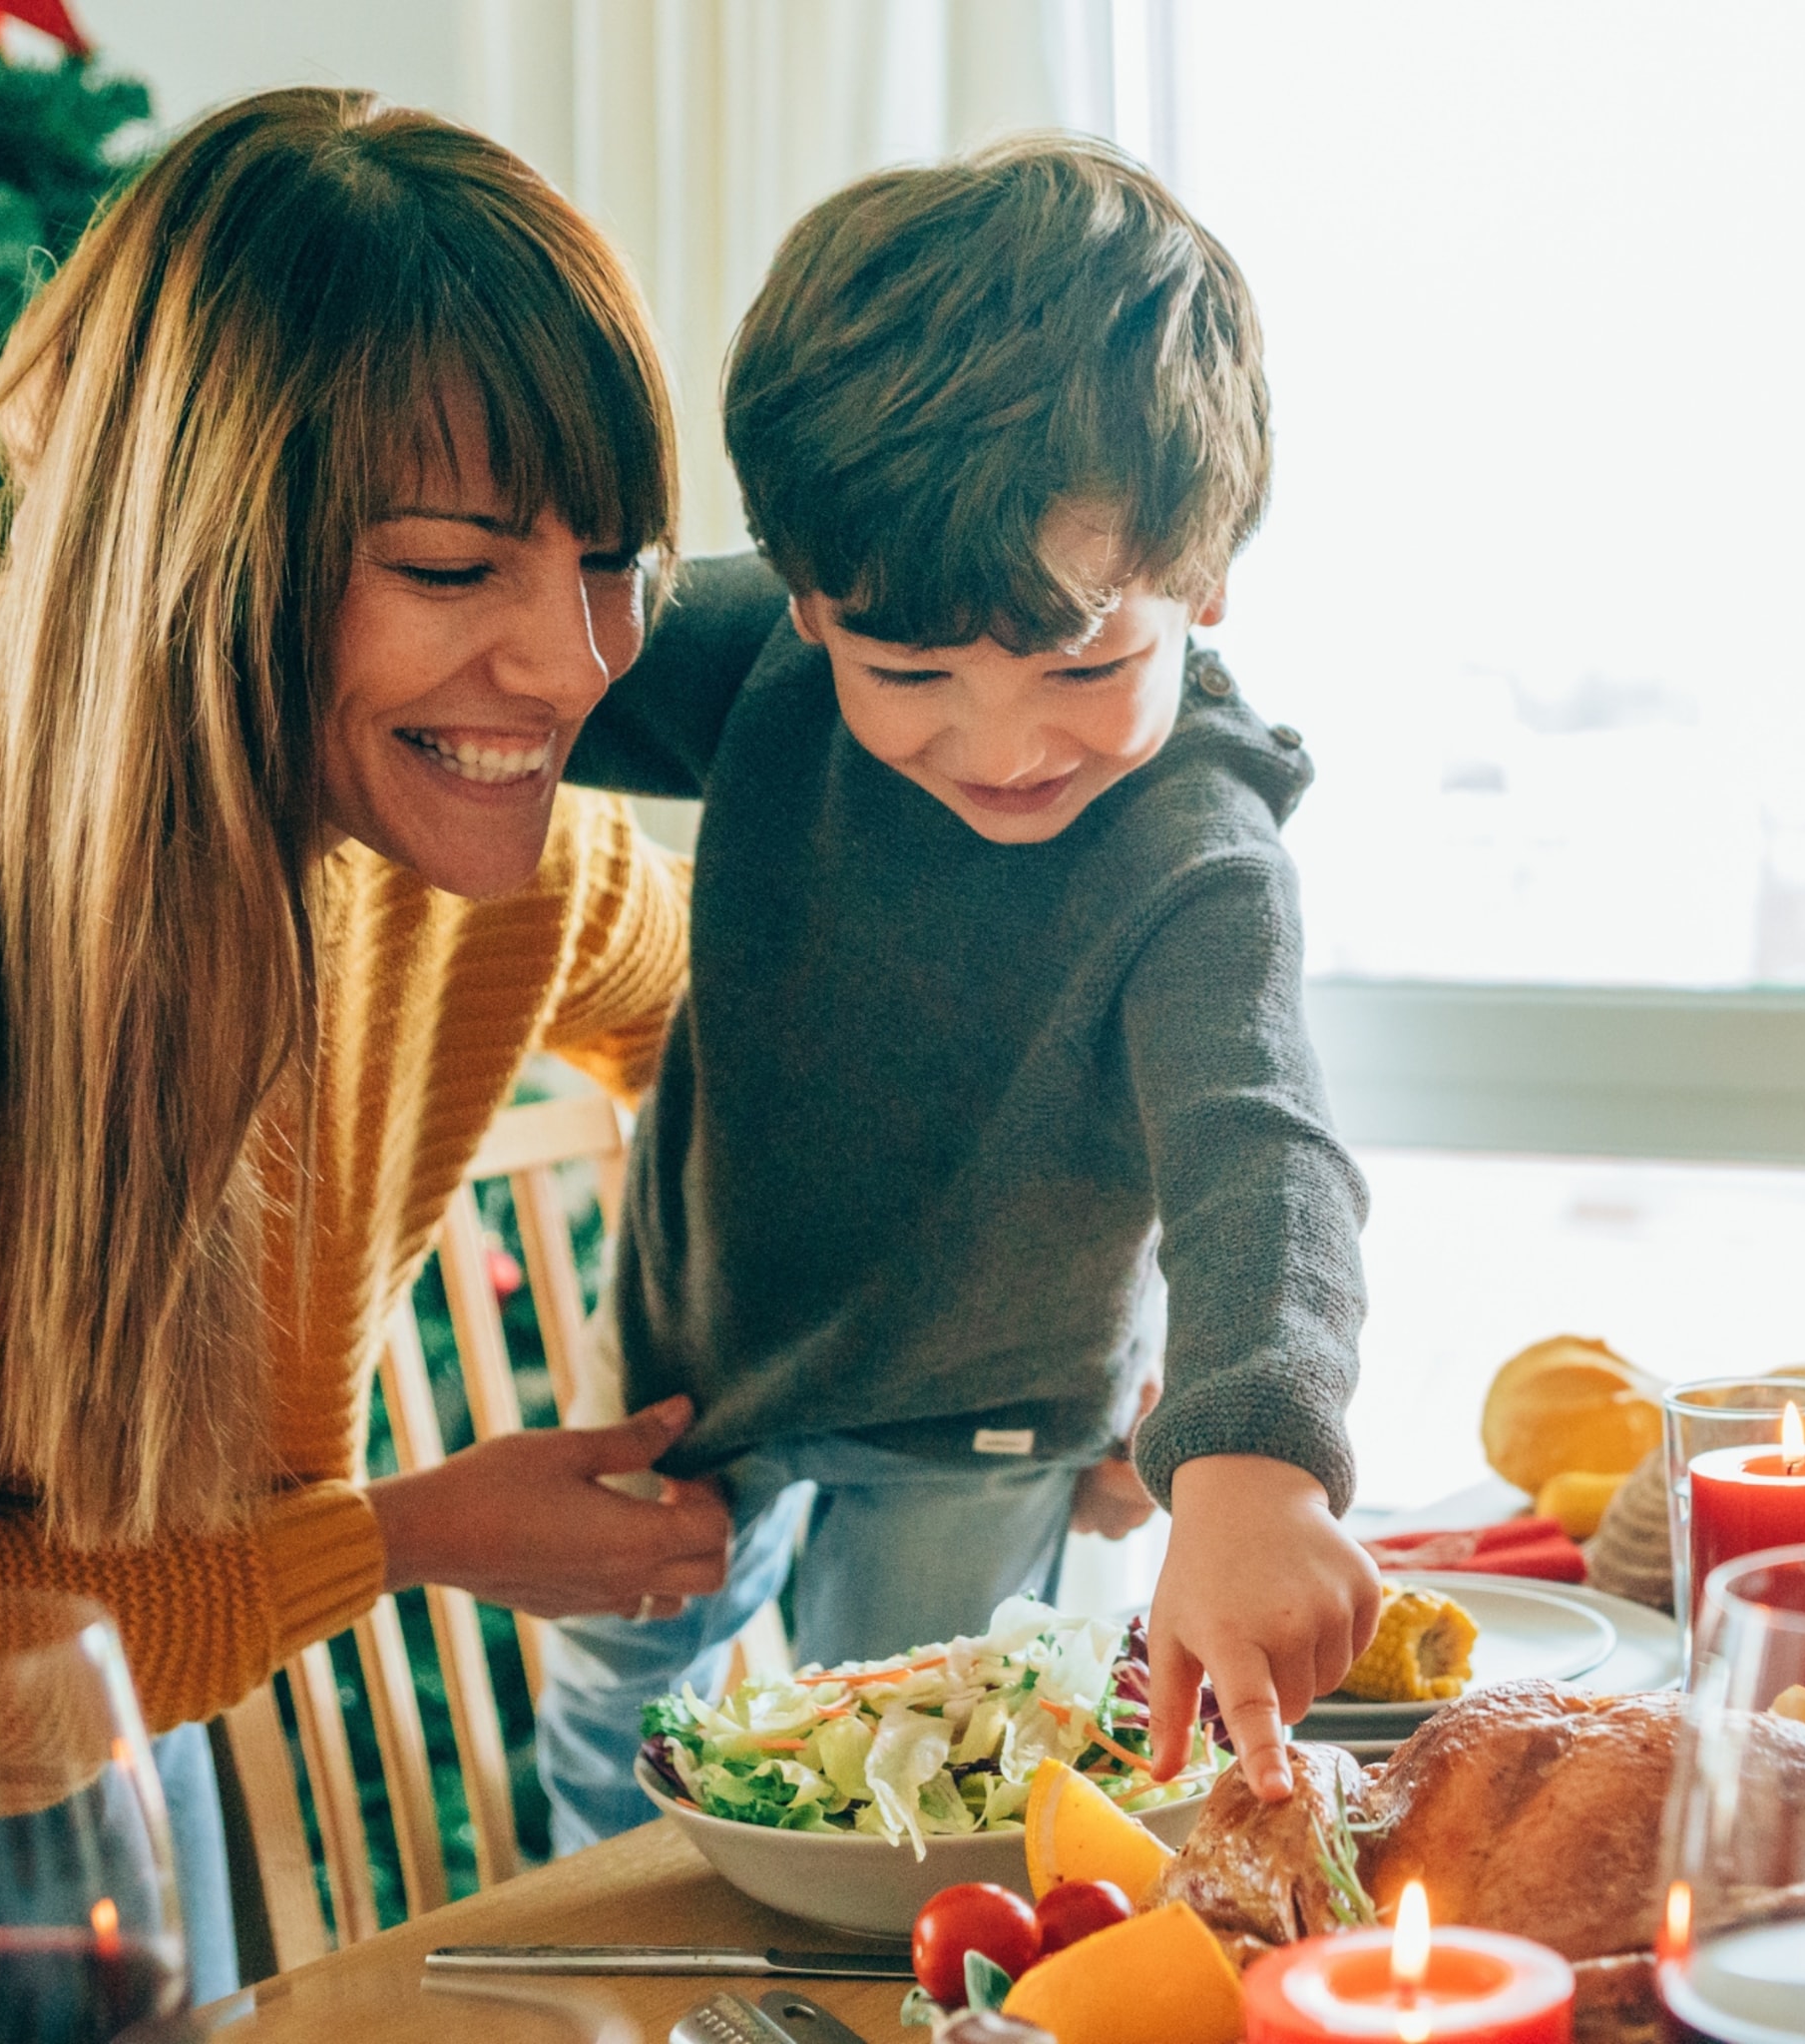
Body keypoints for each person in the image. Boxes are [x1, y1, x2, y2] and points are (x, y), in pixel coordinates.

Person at [0, 89, 731, 1986]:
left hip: (110, 1744)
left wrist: (1059, 1340)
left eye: (610, 559)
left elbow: (760, 1027)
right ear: (203, 549)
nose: (571, 665)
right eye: (456, 570)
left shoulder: (487, 853)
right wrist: (390, 1541)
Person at [540, 135, 1380, 1849]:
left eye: (1084, 666)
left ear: (1203, 579)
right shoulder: (775, 665)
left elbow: (1264, 1166)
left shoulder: (1196, 854)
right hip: (697, 1364)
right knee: (608, 1758)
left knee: (912, 1797)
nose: (1002, 747)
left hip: (982, 1411)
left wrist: (1253, 1464)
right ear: (803, 598)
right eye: (907, 672)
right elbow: (531, 666)